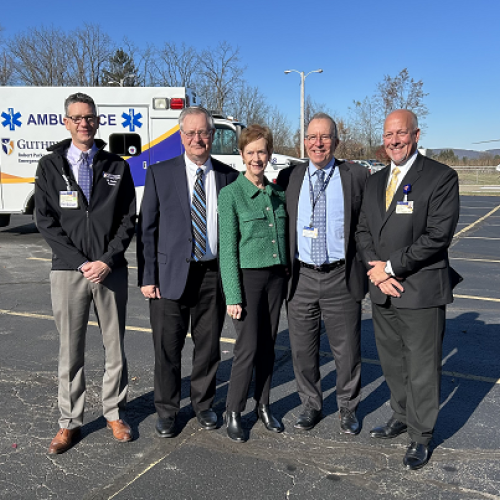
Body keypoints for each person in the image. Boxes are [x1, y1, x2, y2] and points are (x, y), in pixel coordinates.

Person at [355, 109, 461, 470]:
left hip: (419, 290)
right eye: (388, 135)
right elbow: (363, 231)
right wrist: (377, 270)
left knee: (422, 366)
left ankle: (421, 435)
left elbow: (437, 236)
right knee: (393, 361)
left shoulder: (440, 177)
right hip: (382, 288)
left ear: (416, 135)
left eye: (401, 133)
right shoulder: (374, 181)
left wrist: (391, 266)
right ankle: (400, 415)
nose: (394, 140)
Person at [35, 92, 137, 454]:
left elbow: (128, 219)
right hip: (68, 270)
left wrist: (108, 259)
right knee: (70, 349)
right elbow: (45, 221)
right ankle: (69, 422)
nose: (84, 123)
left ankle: (114, 412)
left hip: (110, 269)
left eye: (90, 117)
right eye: (77, 117)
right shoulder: (51, 165)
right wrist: (80, 261)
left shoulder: (116, 166)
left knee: (115, 347)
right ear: (66, 122)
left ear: (97, 121)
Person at [137, 106, 238, 438]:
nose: (198, 139)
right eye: (191, 133)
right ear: (181, 137)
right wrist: (147, 276)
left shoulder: (228, 176)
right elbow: (147, 228)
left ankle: (203, 404)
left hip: (212, 275)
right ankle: (167, 409)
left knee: (208, 348)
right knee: (167, 347)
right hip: (168, 277)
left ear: (212, 135)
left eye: (204, 133)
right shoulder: (160, 173)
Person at [276, 113, 369, 435]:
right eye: (312, 137)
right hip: (300, 276)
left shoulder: (355, 176)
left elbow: (366, 224)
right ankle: (311, 405)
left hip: (340, 276)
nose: (318, 143)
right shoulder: (289, 178)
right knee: (303, 349)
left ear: (336, 142)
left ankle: (348, 408)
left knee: (347, 351)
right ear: (303, 142)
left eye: (325, 137)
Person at [218, 125, 288, 442]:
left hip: (275, 278)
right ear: (242, 155)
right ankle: (234, 411)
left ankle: (263, 406)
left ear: (269, 154)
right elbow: (228, 250)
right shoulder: (231, 194)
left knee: (268, 347)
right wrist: (233, 295)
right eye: (250, 152)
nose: (256, 158)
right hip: (248, 281)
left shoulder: (275, 193)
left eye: (262, 151)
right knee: (247, 349)